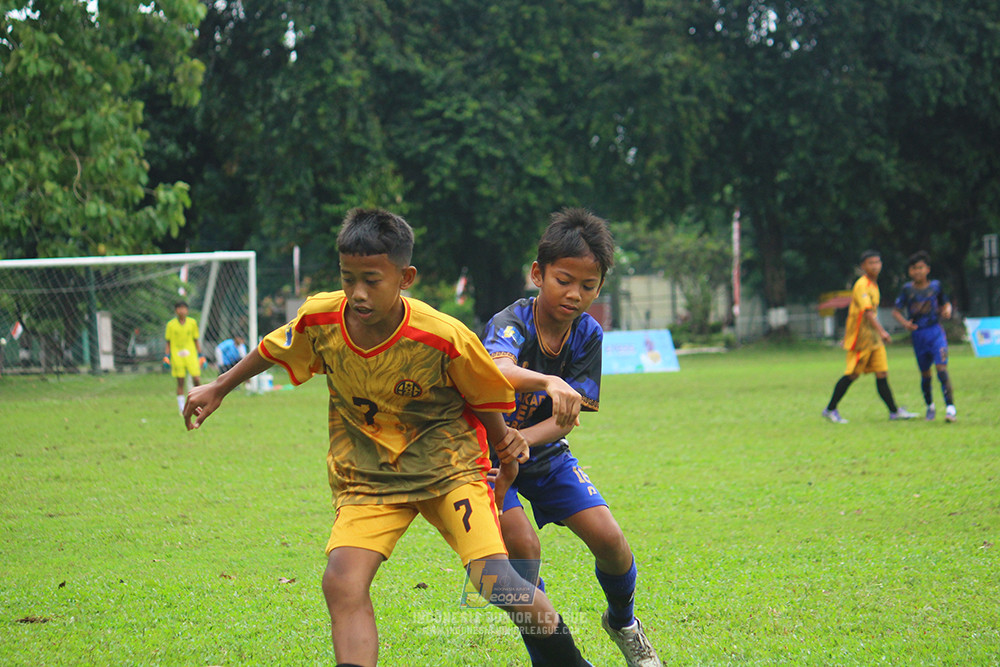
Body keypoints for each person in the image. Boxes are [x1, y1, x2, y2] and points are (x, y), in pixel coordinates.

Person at [182, 208, 592, 667]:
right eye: (348, 277)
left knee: (494, 579)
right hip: (369, 477)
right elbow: (272, 348)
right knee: (341, 581)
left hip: (449, 469)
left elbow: (484, 394)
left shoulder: (443, 336)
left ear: (405, 277)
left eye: (371, 280)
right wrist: (219, 386)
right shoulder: (322, 319)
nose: (357, 292)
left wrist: (505, 446)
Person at [482, 208, 662, 667]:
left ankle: (623, 622)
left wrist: (526, 439)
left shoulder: (588, 334)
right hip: (485, 459)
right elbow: (498, 368)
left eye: (588, 285)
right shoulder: (511, 323)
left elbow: (568, 417)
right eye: (564, 280)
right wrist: (546, 382)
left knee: (611, 541)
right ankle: (551, 656)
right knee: (523, 550)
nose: (574, 294)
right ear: (538, 274)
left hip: (543, 454)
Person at [822, 250, 916, 423]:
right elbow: (867, 313)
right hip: (861, 340)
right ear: (863, 266)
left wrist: (878, 334)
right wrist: (882, 331)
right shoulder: (862, 285)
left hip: (873, 339)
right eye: (871, 263)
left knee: (881, 373)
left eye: (877, 262)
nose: (875, 266)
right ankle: (830, 409)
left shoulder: (874, 285)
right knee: (852, 374)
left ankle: (894, 411)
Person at [891, 251, 957, 422]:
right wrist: (905, 323)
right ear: (909, 272)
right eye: (914, 268)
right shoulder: (907, 289)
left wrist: (948, 309)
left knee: (942, 369)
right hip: (918, 335)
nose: (917, 271)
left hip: (935, 332)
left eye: (920, 267)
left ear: (927, 269)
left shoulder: (936, 286)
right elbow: (896, 311)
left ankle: (950, 408)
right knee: (926, 374)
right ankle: (930, 406)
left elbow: (945, 302)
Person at [164, 301, 204, 415]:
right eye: (179, 308)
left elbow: (196, 340)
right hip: (177, 356)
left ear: (187, 310)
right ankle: (182, 408)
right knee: (180, 381)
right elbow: (168, 341)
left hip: (191, 354)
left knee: (196, 379)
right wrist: (166, 356)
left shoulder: (192, 323)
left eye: (184, 308)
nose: (181, 311)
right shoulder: (171, 325)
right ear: (176, 310)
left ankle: (200, 402)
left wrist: (201, 355)